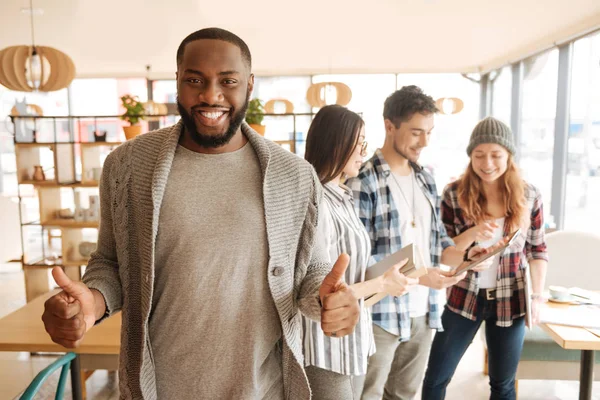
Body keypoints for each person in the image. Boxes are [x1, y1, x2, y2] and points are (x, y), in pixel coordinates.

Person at [41, 27, 361, 400]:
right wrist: (90, 304)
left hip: (264, 389)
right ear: (177, 82)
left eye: (228, 81)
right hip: (159, 388)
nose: (211, 95)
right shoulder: (128, 165)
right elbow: (112, 264)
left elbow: (311, 272)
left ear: (249, 85)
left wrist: (330, 301)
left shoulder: (294, 175)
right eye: (195, 80)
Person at [348, 86, 483, 400]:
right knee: (367, 394)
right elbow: (358, 261)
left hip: (423, 311)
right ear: (389, 126)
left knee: (404, 394)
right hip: (380, 312)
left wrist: (466, 253)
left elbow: (437, 244)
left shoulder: (425, 178)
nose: (425, 142)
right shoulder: (363, 180)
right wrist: (423, 276)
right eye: (416, 132)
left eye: (430, 133)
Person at [421, 116, 548, 400]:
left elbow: (537, 250)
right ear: (470, 157)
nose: (487, 163)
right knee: (435, 379)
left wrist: (537, 296)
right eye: (479, 155)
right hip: (463, 298)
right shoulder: (454, 194)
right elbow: (443, 249)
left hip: (511, 300)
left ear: (509, 156)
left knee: (502, 385)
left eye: (495, 155)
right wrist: (473, 233)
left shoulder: (529, 195)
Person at [302, 105, 419, 399]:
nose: (364, 152)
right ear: (336, 142)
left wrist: (389, 275)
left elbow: (354, 268)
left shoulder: (344, 197)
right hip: (325, 350)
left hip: (354, 342)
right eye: (360, 142)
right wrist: (382, 284)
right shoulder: (316, 203)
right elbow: (322, 291)